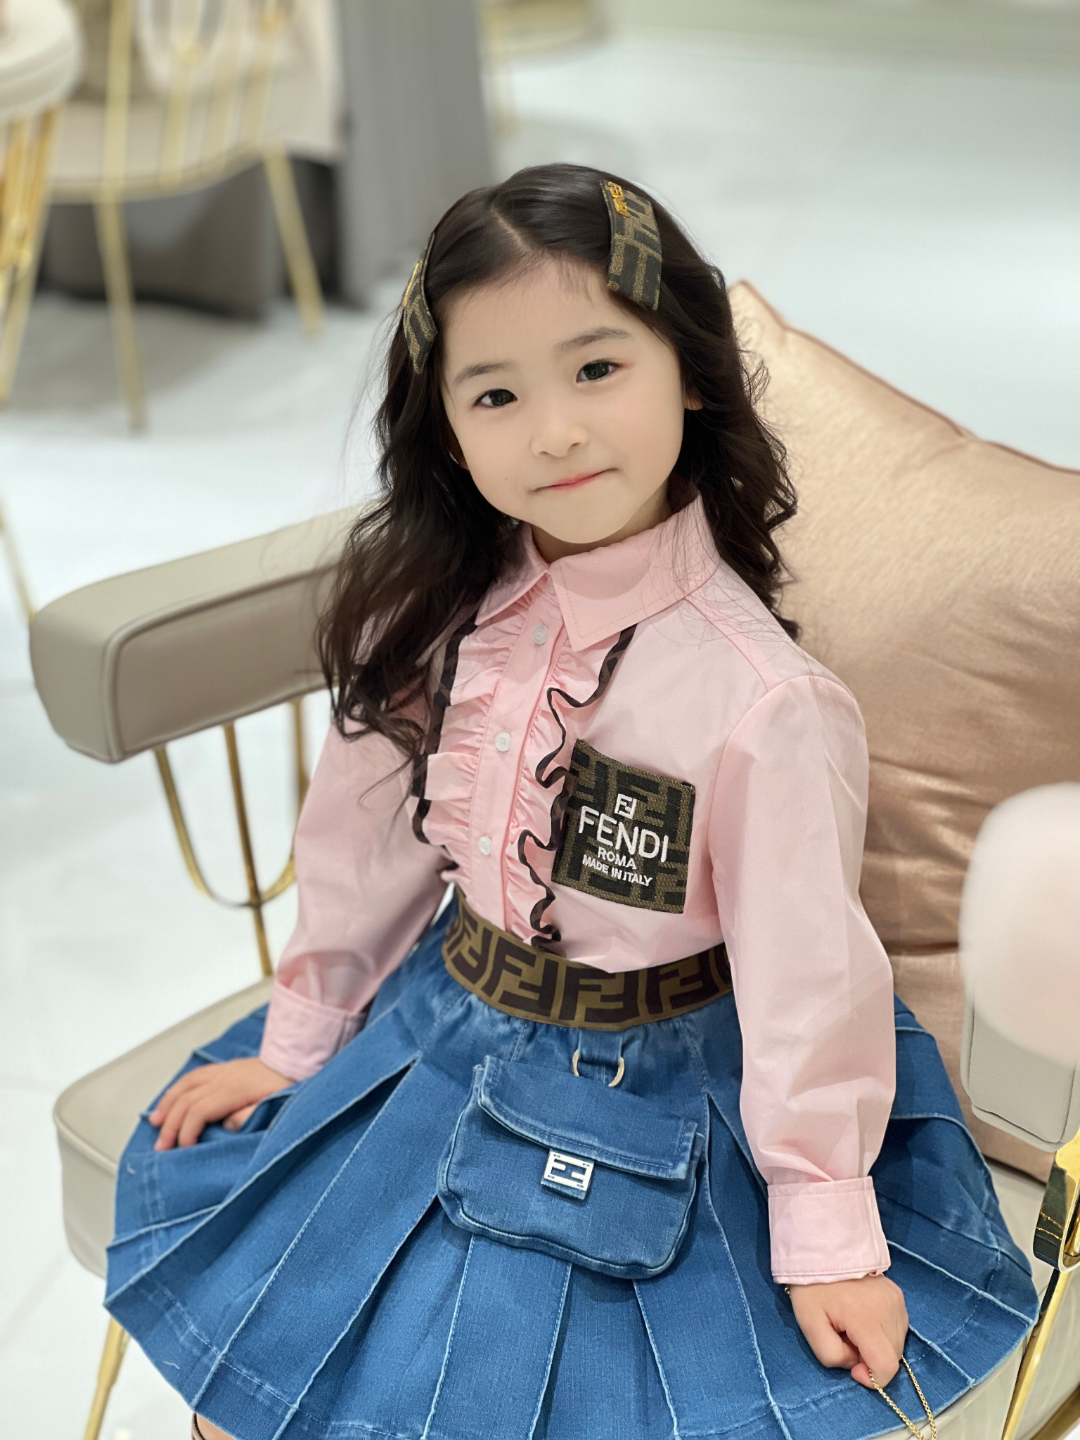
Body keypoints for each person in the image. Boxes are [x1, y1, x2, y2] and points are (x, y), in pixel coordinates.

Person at [105, 164, 1038, 1440]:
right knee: (256, 1388)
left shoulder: (765, 699)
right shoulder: (431, 610)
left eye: (597, 368)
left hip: (669, 1080)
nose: (553, 433)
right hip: (443, 1025)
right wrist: (300, 1039)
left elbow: (809, 976)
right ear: (446, 427)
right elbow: (363, 846)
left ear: (690, 372)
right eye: (496, 394)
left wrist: (826, 1231)